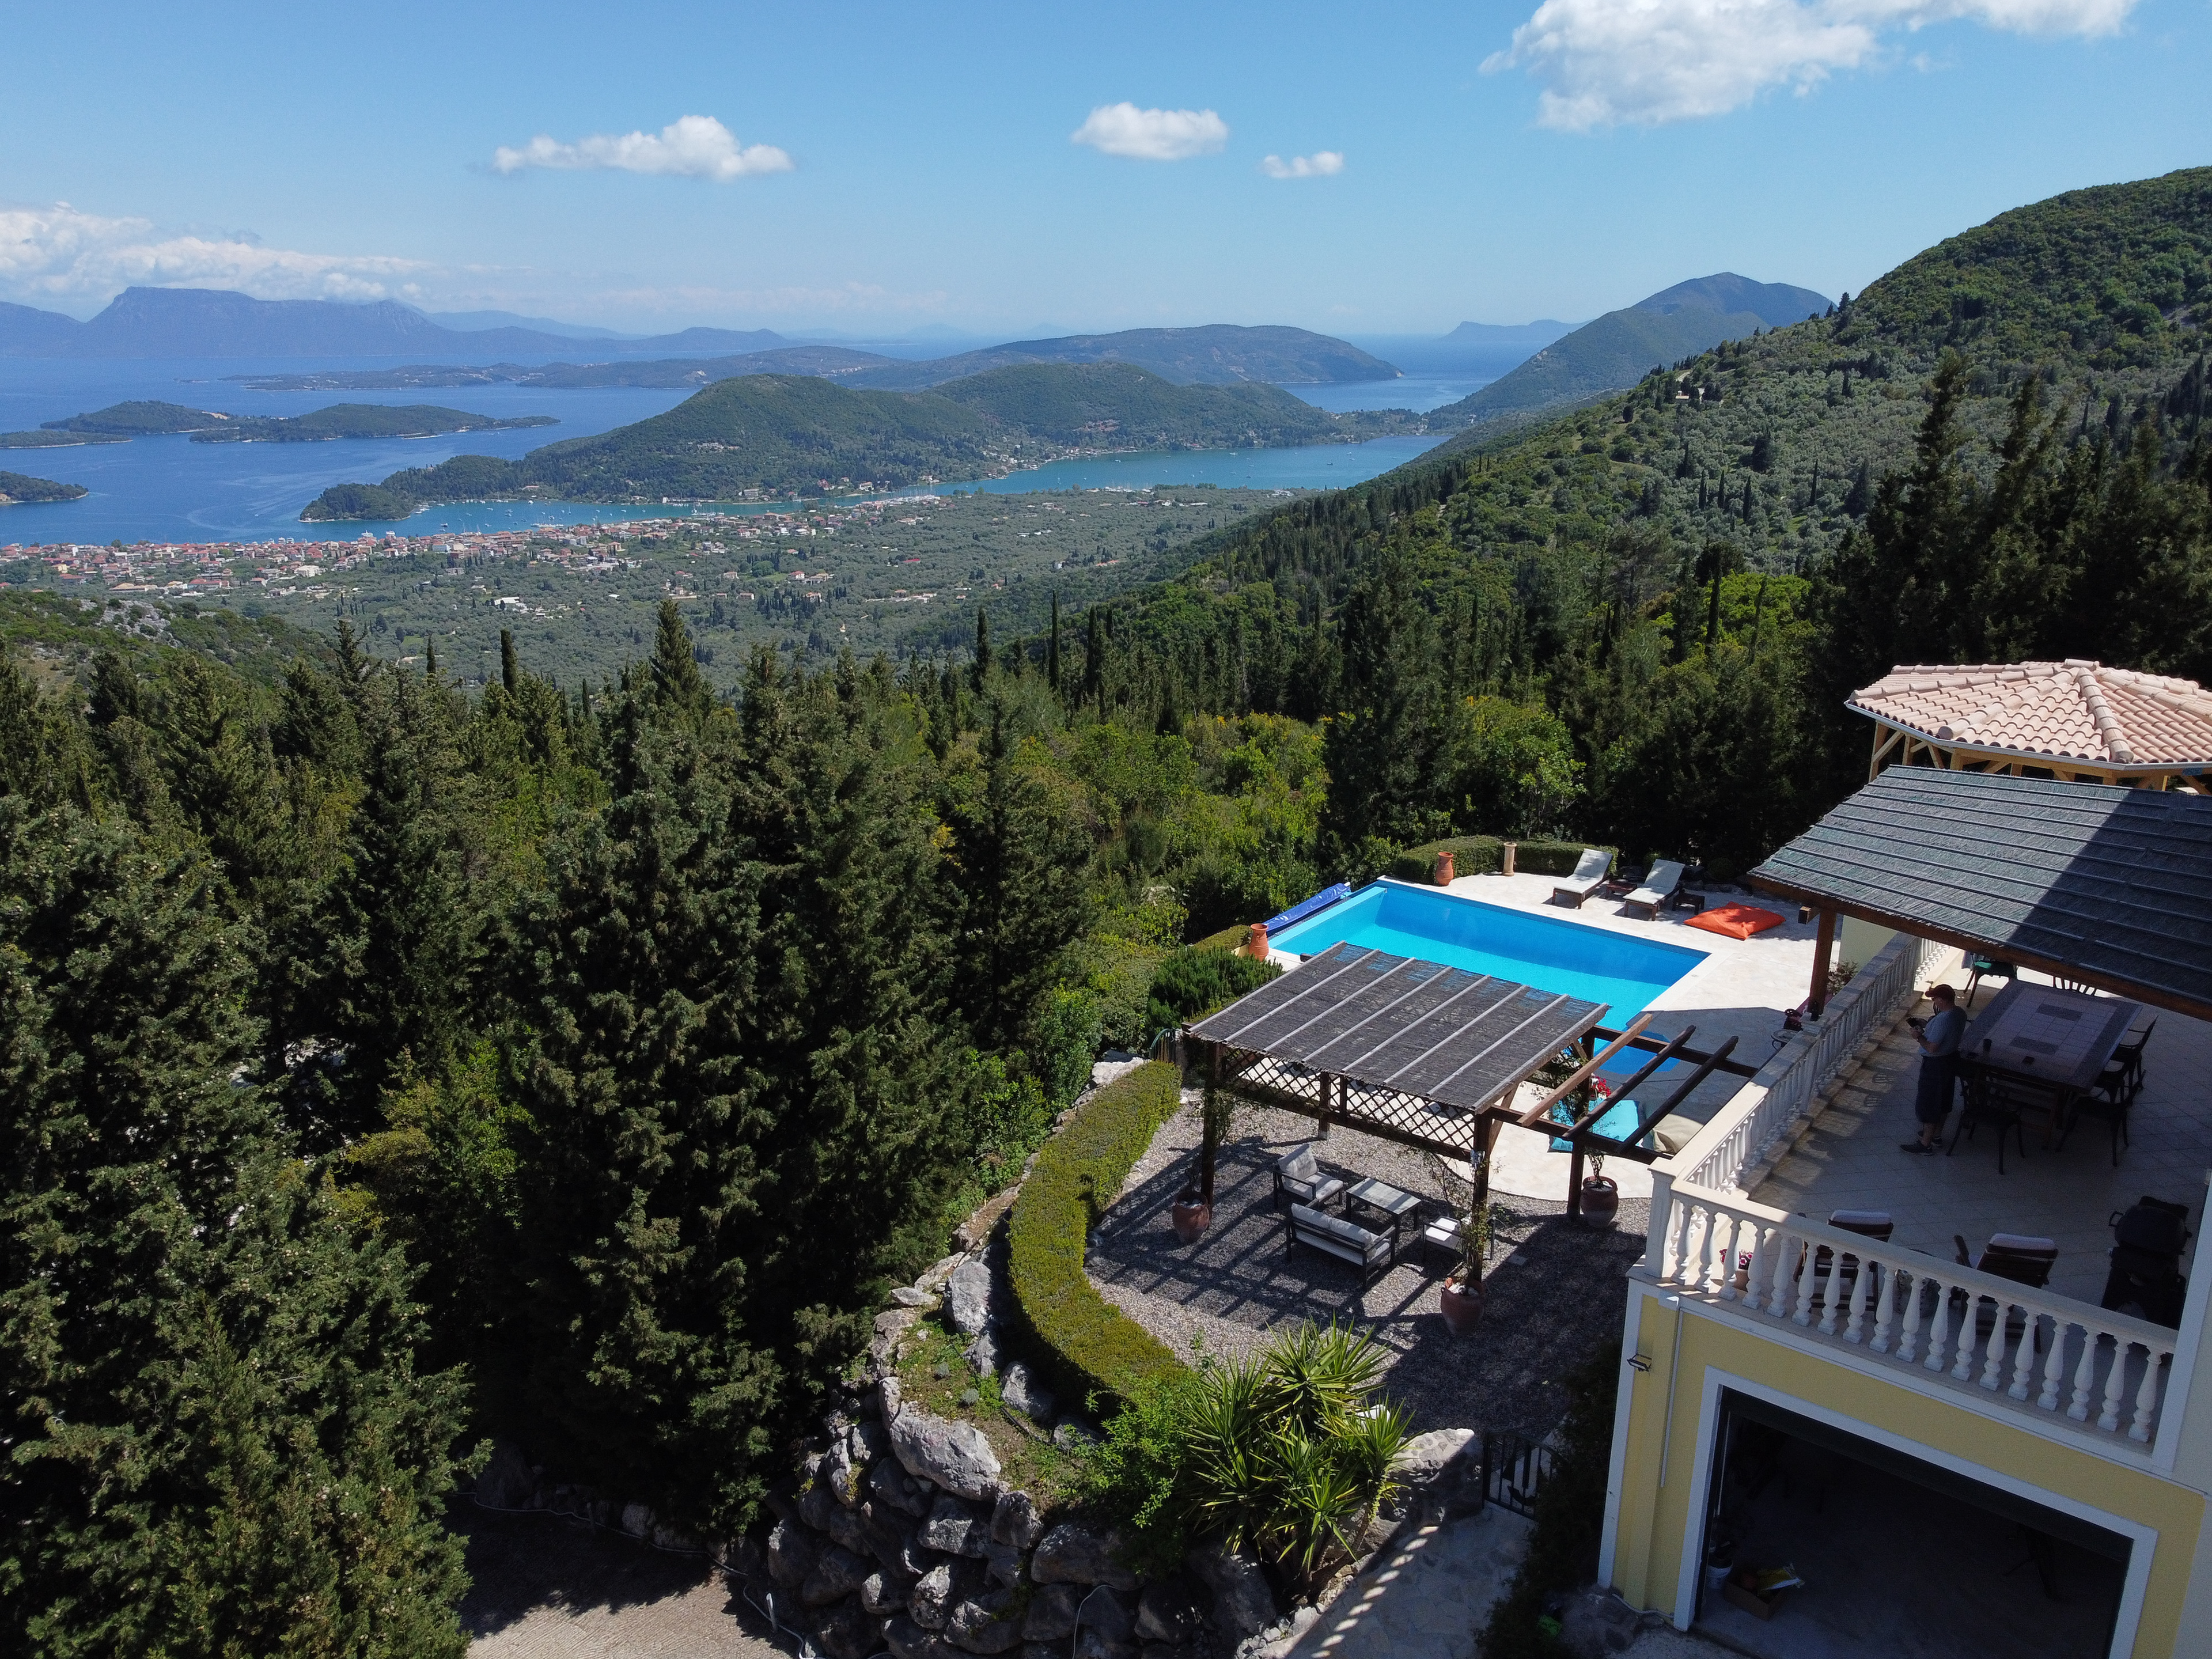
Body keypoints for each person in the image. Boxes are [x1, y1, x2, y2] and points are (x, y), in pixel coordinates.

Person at [1901, 984, 1966, 1153]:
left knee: (1930, 1103)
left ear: (1942, 1000)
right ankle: (1937, 1135)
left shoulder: (1944, 1020)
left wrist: (1918, 1036)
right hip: (1950, 1061)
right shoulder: (1960, 1014)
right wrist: (1928, 1025)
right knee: (1944, 1101)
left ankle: (1925, 1144)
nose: (1934, 1001)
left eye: (1935, 998)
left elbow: (1931, 1048)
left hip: (1935, 1065)